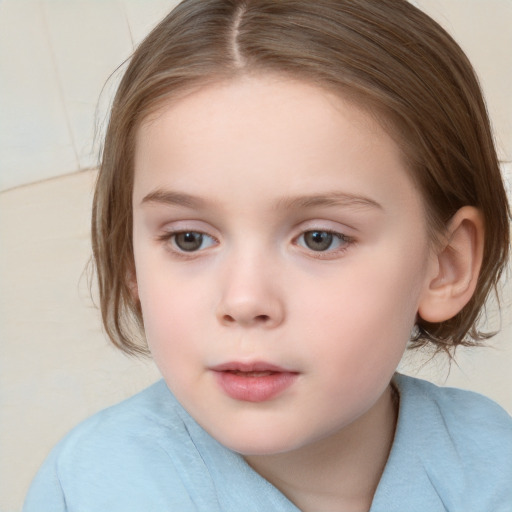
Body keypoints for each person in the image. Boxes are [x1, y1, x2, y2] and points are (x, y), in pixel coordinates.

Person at [24, 0, 512, 510]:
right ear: (131, 262)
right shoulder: (88, 488)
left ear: (445, 265)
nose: (244, 299)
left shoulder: (494, 467)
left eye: (320, 238)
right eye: (188, 239)